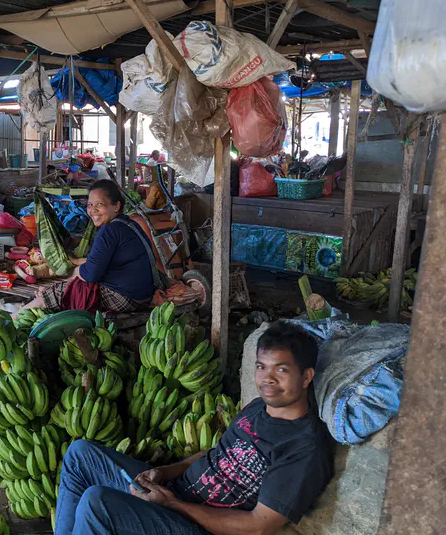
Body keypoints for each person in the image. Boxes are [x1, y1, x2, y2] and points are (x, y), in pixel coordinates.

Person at [55, 321, 334, 535]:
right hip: (176, 495)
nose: (267, 379)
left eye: (281, 370)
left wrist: (173, 504)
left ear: (306, 376)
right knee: (81, 455)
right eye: (262, 367)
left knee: (98, 502)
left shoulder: (303, 448)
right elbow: (213, 454)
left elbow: (258, 526)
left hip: (197, 525)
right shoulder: (259, 408)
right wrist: (163, 472)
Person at [22, 180, 155, 313]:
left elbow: (90, 275)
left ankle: (13, 320)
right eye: (90, 205)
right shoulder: (129, 224)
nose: (93, 210)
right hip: (143, 295)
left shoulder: (109, 231)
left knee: (53, 296)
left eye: (99, 204)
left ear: (116, 206)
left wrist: (75, 274)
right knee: (68, 285)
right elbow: (98, 264)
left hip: (125, 298)